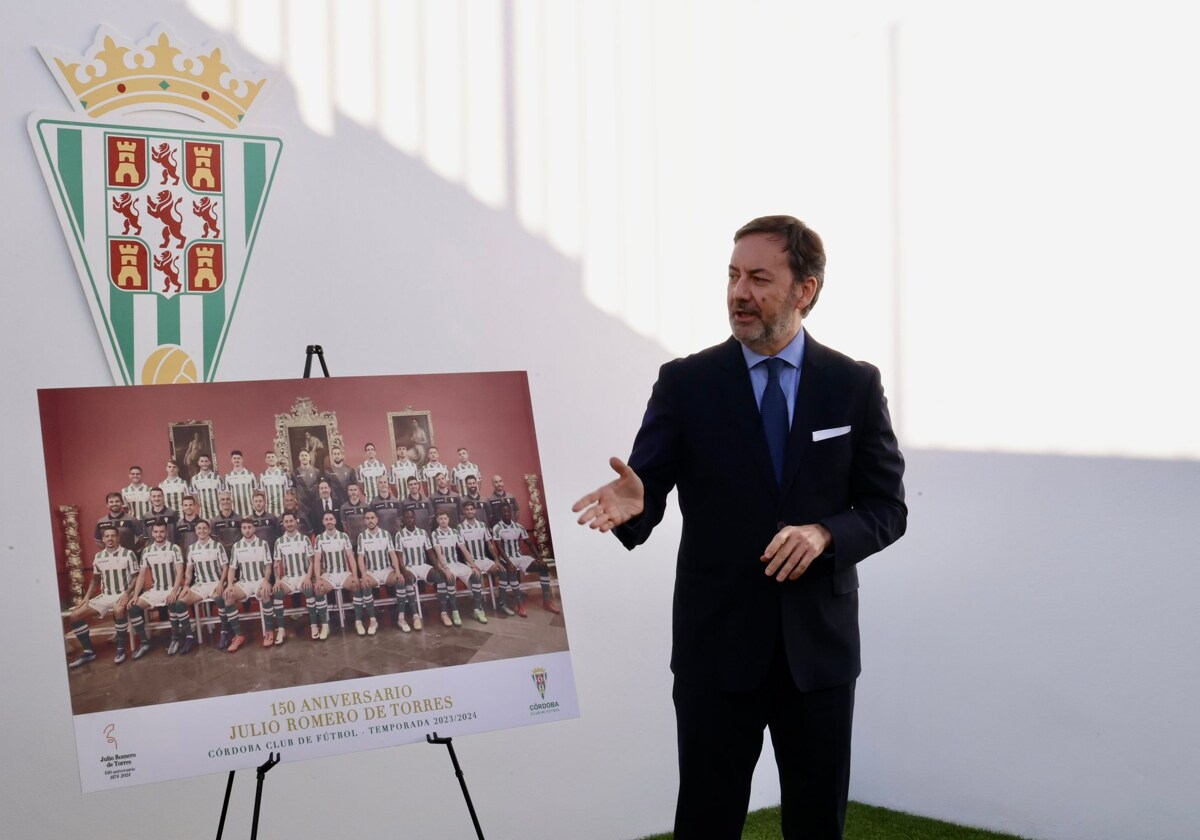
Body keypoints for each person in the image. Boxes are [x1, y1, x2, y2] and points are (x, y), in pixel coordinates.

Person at [572, 215, 907, 839]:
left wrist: (825, 535)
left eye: (758, 278)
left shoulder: (854, 386)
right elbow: (645, 490)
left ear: (804, 289)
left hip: (820, 654)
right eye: (732, 276)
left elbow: (888, 509)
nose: (738, 293)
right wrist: (635, 502)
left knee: (816, 826)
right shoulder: (687, 383)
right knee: (706, 821)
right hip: (716, 647)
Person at [67, 526, 139, 667]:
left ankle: (121, 649)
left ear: (118, 538)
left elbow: (136, 577)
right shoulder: (99, 557)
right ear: (103, 539)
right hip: (105, 595)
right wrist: (86, 597)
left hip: (123, 594)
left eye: (113, 535)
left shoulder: (128, 554)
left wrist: (127, 593)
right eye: (107, 536)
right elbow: (95, 580)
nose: (110, 538)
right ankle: (89, 652)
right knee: (75, 616)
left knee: (118, 610)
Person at [129, 521, 188, 656]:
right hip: (156, 589)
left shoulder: (174, 548)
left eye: (162, 531)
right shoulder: (147, 551)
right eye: (156, 531)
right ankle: (144, 642)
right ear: (152, 533)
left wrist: (174, 591)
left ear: (166, 532)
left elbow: (180, 572)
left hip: (172, 588)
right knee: (133, 607)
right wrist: (136, 595)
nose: (159, 534)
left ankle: (175, 638)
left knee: (172, 601)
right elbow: (142, 575)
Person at [491, 504, 559, 616]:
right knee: (512, 569)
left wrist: (539, 558)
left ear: (511, 512)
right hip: (506, 558)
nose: (507, 514)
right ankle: (520, 604)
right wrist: (508, 562)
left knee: (543, 567)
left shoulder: (519, 527)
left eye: (508, 511)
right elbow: (499, 548)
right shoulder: (497, 528)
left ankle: (547, 601)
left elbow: (529, 543)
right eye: (504, 512)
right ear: (500, 514)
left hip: (519, 556)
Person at [225, 518, 276, 647]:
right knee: (228, 596)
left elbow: (268, 565)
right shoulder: (237, 546)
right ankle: (238, 635)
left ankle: (269, 631)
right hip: (245, 583)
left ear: (253, 529)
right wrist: (230, 584)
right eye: (244, 528)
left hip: (260, 580)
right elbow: (232, 568)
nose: (247, 530)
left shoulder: (262, 543)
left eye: (249, 527)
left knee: (265, 593)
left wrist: (266, 580)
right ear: (241, 530)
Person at [432, 510, 488, 624]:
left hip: (456, 563)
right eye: (441, 518)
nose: (443, 521)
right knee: (450, 577)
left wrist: (473, 565)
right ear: (437, 520)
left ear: (448, 520)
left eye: (445, 518)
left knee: (476, 575)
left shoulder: (455, 532)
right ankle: (454, 611)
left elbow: (463, 549)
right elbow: (439, 553)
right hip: (444, 565)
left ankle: (477, 609)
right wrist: (446, 569)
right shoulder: (435, 534)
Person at [356, 509, 407, 633]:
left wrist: (398, 571)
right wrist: (363, 575)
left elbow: (393, 554)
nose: (370, 520)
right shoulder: (362, 536)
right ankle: (373, 620)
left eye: (372, 518)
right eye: (367, 518)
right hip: (372, 572)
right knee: (366, 584)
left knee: (400, 580)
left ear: (377, 519)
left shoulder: (385, 534)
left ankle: (401, 618)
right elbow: (360, 558)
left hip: (386, 570)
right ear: (364, 521)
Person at [272, 512, 317, 643]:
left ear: (295, 522)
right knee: (277, 592)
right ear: (283, 524)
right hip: (288, 578)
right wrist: (277, 580)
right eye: (286, 522)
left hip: (303, 576)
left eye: (291, 521)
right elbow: (276, 564)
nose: (289, 524)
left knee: (309, 591)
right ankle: (281, 629)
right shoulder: (279, 542)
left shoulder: (304, 539)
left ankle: (314, 626)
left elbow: (311, 561)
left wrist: (308, 577)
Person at [314, 511, 360, 635]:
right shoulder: (319, 538)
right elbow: (317, 560)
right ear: (323, 522)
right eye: (326, 519)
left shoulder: (343, 536)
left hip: (344, 573)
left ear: (335, 521)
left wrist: (355, 575)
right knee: (318, 589)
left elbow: (351, 556)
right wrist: (318, 579)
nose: (329, 521)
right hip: (329, 575)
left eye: (331, 519)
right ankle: (324, 625)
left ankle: (358, 621)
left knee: (356, 584)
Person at [189, 454, 223, 520]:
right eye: (202, 461)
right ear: (198, 463)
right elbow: (195, 496)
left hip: (218, 513)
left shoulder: (218, 478)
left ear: (210, 462)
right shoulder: (194, 479)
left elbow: (222, 495)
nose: (204, 463)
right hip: (203, 515)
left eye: (206, 461)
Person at [224, 450, 257, 516]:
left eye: (238, 458)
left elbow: (255, 491)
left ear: (242, 459)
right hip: (235, 511)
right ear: (231, 460)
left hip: (250, 510)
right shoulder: (228, 476)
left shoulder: (250, 474)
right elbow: (228, 494)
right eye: (234, 458)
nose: (236, 460)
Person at [259, 450, 291, 516]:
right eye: (269, 457)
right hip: (269, 510)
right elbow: (262, 496)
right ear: (266, 460)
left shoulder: (284, 475)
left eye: (273, 457)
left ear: (276, 459)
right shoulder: (262, 476)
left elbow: (289, 493)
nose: (271, 459)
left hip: (283, 510)